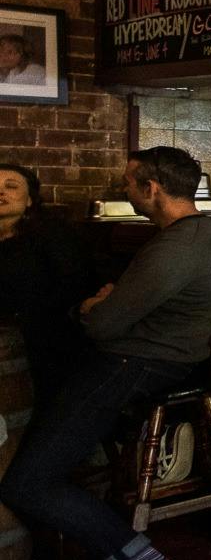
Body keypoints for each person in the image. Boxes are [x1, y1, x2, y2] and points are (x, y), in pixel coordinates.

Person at [0, 147, 211, 560]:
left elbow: (102, 325)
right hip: (150, 359)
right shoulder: (196, 232)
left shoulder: (174, 248)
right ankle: (107, 545)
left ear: (152, 189)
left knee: (26, 482)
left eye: (127, 183)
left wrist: (94, 307)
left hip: (135, 364)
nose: (121, 190)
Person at [0, 163, 107, 419]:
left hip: (46, 340)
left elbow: (74, 285)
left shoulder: (52, 235)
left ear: (30, 200)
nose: (1, 193)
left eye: (11, 187)